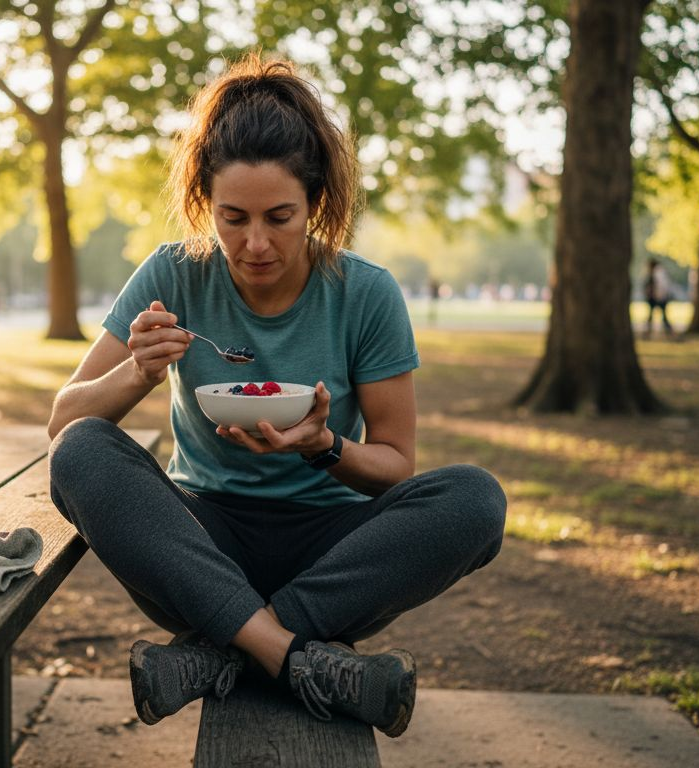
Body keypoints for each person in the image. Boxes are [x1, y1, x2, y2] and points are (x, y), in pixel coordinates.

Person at [46, 56, 506, 739]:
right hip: (199, 541)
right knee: (84, 452)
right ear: (205, 201)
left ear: (315, 203)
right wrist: (136, 373)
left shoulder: (365, 293)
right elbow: (62, 425)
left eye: (279, 217)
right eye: (232, 218)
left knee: (476, 500)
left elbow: (395, 464)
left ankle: (219, 652)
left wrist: (325, 447)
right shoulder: (172, 274)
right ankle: (292, 658)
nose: (254, 243)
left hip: (333, 556)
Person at [642, 258, 672, 338]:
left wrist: (657, 295)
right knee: (657, 316)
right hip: (658, 297)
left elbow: (660, 286)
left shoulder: (657, 273)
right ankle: (668, 332)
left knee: (658, 316)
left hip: (658, 297)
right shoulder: (660, 272)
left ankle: (668, 331)